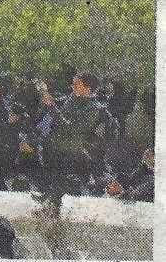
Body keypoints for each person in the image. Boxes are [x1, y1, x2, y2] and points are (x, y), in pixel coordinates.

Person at [34, 72, 121, 217]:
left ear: (88, 88)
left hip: (78, 152)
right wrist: (46, 95)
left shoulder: (94, 108)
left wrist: (52, 107)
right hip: (60, 148)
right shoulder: (72, 99)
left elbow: (72, 129)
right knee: (55, 177)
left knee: (65, 179)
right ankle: (51, 204)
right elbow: (58, 110)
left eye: (76, 84)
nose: (72, 86)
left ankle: (51, 206)